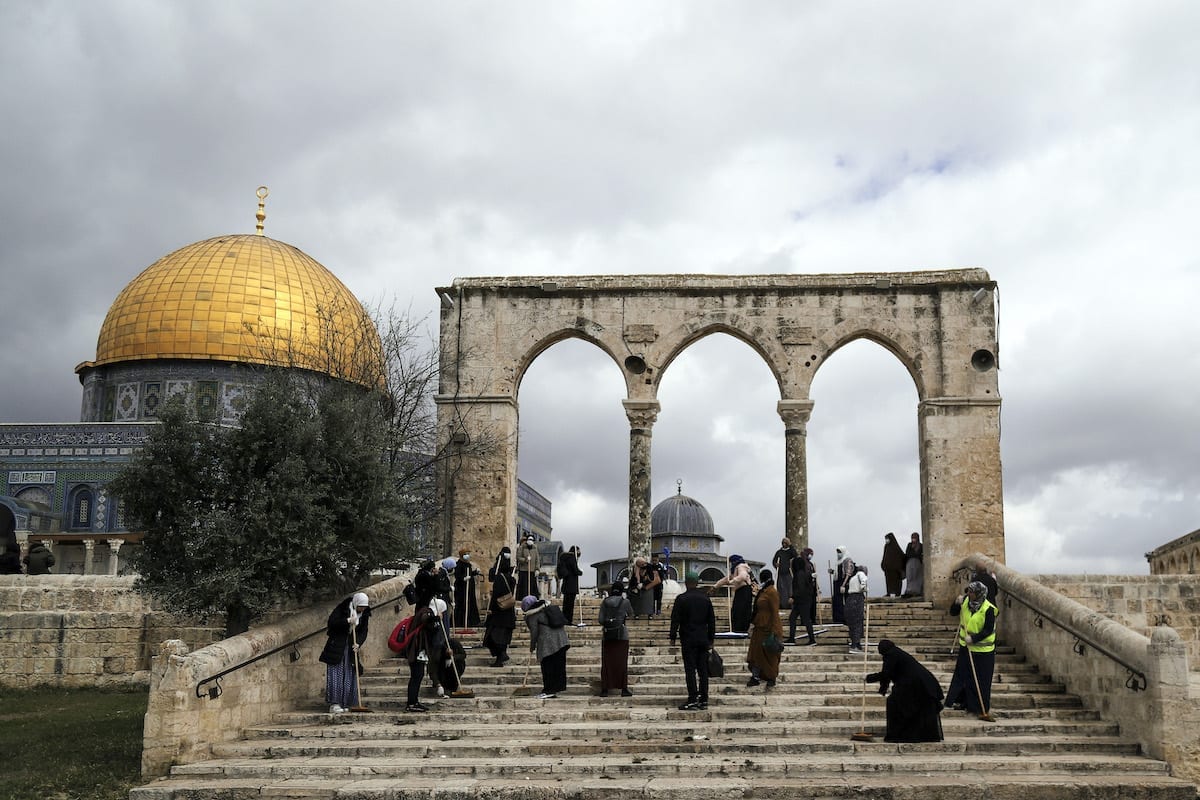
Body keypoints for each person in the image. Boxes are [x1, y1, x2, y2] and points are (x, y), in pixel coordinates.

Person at [865, 639, 944, 742]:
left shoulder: (891, 655)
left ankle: (900, 734)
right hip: (921, 683)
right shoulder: (895, 653)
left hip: (916, 684)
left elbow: (886, 674)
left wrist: (868, 678)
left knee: (897, 703)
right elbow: (888, 673)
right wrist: (882, 688)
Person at [944, 580, 999, 715]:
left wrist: (974, 638)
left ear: (979, 594)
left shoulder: (989, 609)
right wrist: (956, 604)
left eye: (971, 592)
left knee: (981, 680)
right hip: (966, 648)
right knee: (964, 677)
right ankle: (962, 702)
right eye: (968, 591)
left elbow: (987, 630)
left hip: (983, 652)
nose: (969, 594)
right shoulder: (965, 602)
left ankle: (979, 708)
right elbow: (953, 612)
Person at [670, 570, 716, 710]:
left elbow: (675, 619)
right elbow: (711, 621)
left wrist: (673, 636)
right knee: (703, 670)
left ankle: (692, 699)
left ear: (686, 583)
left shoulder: (681, 599)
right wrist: (711, 639)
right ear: (697, 583)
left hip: (688, 638)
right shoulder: (705, 599)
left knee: (690, 670)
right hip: (703, 639)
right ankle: (704, 699)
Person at [318, 592, 371, 714]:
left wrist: (358, 643)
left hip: (351, 648)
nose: (362, 609)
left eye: (364, 607)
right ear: (356, 603)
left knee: (349, 672)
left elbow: (363, 630)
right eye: (360, 607)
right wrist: (347, 620)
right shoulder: (342, 609)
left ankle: (348, 702)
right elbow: (332, 623)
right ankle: (335, 703)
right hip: (337, 646)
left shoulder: (365, 614)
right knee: (336, 673)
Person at [523, 595, 570, 699]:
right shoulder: (548, 608)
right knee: (558, 666)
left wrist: (532, 646)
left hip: (548, 643)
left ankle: (548, 690)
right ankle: (555, 689)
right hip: (562, 639)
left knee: (547, 666)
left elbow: (534, 632)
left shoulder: (532, 615)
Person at [746, 568, 783, 688]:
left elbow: (774, 612)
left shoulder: (772, 592)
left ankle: (771, 676)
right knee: (756, 653)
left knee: (769, 654)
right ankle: (755, 676)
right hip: (759, 627)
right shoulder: (763, 591)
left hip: (768, 627)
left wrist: (775, 630)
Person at [597, 580, 634, 697]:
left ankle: (605, 689)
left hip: (607, 636)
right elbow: (631, 614)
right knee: (622, 663)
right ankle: (623, 689)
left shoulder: (605, 602)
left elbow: (600, 620)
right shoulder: (625, 602)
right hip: (622, 635)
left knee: (607, 663)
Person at [398, 603, 437, 712]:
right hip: (417, 652)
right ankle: (411, 703)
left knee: (417, 677)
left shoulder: (420, 615)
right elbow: (428, 624)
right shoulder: (425, 614)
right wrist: (436, 620)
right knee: (416, 677)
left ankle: (413, 701)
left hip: (416, 652)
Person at [483, 548, 517, 667]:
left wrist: (491, 610)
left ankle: (501, 656)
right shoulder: (512, 579)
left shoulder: (499, 579)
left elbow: (496, 596)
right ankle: (500, 658)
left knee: (493, 637)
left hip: (499, 613)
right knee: (502, 638)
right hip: (508, 612)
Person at [710, 554, 754, 633]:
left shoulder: (741, 566)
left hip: (744, 591)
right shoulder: (735, 570)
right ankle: (737, 629)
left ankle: (741, 629)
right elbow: (726, 579)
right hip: (739, 591)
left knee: (741, 611)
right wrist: (715, 586)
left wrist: (732, 582)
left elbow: (742, 576)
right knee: (736, 611)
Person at [786, 547, 819, 645]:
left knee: (805, 620)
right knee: (793, 618)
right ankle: (792, 639)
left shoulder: (799, 575)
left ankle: (812, 640)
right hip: (803, 600)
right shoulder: (803, 573)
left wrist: (793, 597)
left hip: (802, 600)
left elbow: (800, 588)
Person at [453, 548, 482, 628]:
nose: (468, 556)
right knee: (462, 605)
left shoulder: (468, 564)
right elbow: (458, 575)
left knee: (471, 604)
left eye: (468, 554)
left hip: (469, 588)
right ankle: (460, 622)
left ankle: (472, 621)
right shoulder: (459, 564)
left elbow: (470, 574)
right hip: (462, 589)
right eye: (466, 554)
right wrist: (463, 578)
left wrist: (475, 572)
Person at [556, 545, 584, 622]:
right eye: (578, 551)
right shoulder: (572, 558)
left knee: (566, 604)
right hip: (572, 586)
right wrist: (581, 572)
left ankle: (564, 619)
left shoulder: (565, 558)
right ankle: (568, 620)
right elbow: (575, 570)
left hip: (566, 585)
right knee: (570, 605)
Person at [845, 564, 868, 653]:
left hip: (850, 599)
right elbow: (864, 580)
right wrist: (864, 587)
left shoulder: (853, 578)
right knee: (858, 622)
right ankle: (855, 645)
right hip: (857, 599)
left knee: (853, 623)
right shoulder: (861, 574)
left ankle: (856, 644)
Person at [829, 546, 855, 625]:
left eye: (840, 552)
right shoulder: (838, 561)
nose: (838, 554)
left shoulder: (847, 560)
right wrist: (832, 571)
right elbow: (839, 573)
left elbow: (848, 573)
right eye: (837, 552)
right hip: (837, 583)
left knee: (844, 601)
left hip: (844, 584)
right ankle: (837, 618)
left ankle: (845, 619)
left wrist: (843, 585)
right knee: (837, 600)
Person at [772, 538, 797, 609]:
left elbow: (795, 555)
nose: (784, 544)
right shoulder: (779, 552)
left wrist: (791, 545)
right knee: (782, 590)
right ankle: (783, 605)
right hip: (781, 574)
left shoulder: (790, 551)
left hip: (789, 573)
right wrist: (775, 564)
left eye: (786, 543)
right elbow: (774, 561)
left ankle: (791, 606)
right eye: (783, 543)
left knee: (790, 590)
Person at [515, 534, 541, 599]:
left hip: (532, 570)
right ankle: (521, 599)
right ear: (527, 540)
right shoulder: (522, 547)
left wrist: (537, 569)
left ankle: (532, 599)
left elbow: (537, 560)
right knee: (523, 586)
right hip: (523, 570)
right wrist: (525, 559)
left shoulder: (535, 548)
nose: (530, 541)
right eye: (529, 539)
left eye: (532, 540)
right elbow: (518, 557)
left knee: (532, 586)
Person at [881, 533, 906, 598]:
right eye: (886, 539)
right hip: (888, 569)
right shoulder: (886, 546)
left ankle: (897, 594)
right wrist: (883, 564)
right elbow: (884, 556)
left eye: (887, 538)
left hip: (895, 570)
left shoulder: (895, 547)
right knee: (889, 583)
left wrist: (899, 567)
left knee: (896, 583)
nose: (886, 540)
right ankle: (889, 593)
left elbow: (902, 556)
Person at [903, 533, 924, 598]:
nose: (913, 539)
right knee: (910, 577)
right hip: (910, 563)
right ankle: (909, 591)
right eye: (912, 537)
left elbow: (920, 554)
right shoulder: (909, 545)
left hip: (918, 564)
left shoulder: (921, 545)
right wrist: (914, 552)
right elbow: (908, 554)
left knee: (917, 577)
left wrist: (915, 554)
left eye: (915, 537)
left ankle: (917, 592)